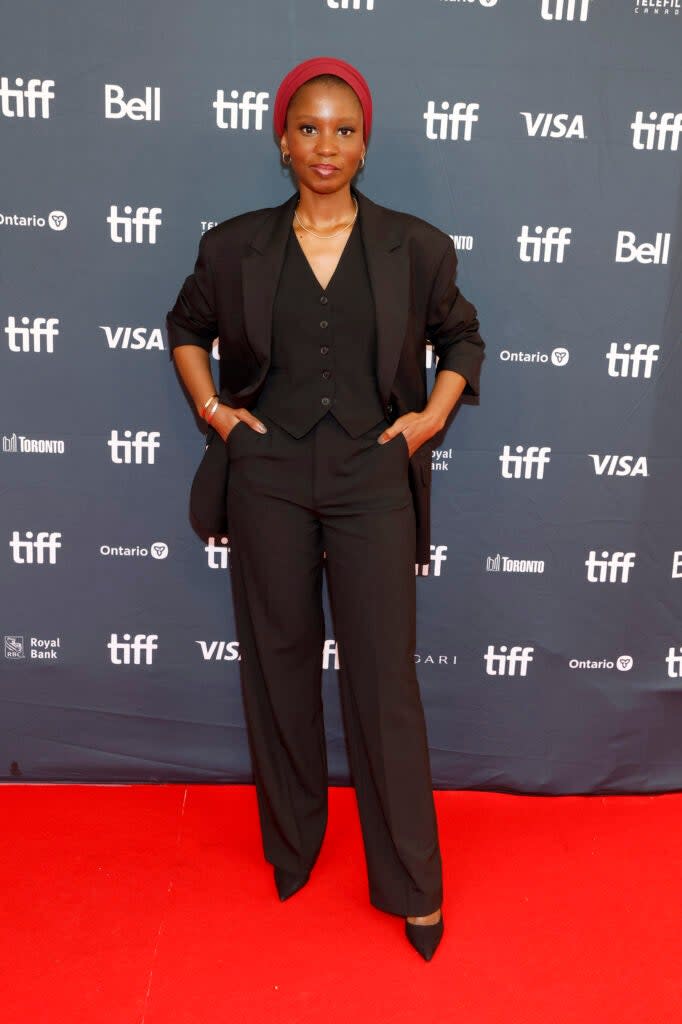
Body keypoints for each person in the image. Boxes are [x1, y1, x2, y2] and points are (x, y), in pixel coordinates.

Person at [166, 56, 485, 961]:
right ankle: (293, 845)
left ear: (365, 142)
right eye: (309, 127)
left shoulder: (414, 246)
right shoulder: (234, 246)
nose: (326, 145)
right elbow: (185, 327)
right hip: (264, 472)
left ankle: (413, 886)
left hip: (372, 475)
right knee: (279, 665)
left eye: (344, 129)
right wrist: (217, 413)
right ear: (281, 139)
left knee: (385, 680)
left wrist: (426, 419)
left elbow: (462, 334)